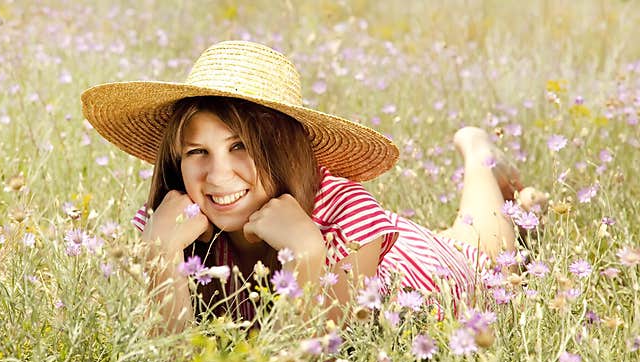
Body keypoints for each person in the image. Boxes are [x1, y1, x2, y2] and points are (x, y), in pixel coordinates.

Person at [81, 40, 547, 334]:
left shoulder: (344, 215)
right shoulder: (165, 224)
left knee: (483, 251)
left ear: (284, 148)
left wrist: (306, 253)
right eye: (197, 152)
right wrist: (160, 255)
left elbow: (324, 359)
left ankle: (479, 152)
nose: (218, 176)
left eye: (241, 146)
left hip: (418, 274)